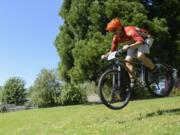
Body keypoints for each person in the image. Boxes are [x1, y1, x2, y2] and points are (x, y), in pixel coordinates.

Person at [101, 18, 157, 87]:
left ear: (120, 27)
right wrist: (106, 55)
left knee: (140, 55)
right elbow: (112, 51)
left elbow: (141, 41)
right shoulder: (116, 38)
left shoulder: (129, 31)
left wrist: (129, 46)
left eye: (115, 30)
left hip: (145, 39)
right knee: (127, 60)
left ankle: (155, 70)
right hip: (133, 43)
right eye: (113, 31)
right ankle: (133, 80)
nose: (114, 32)